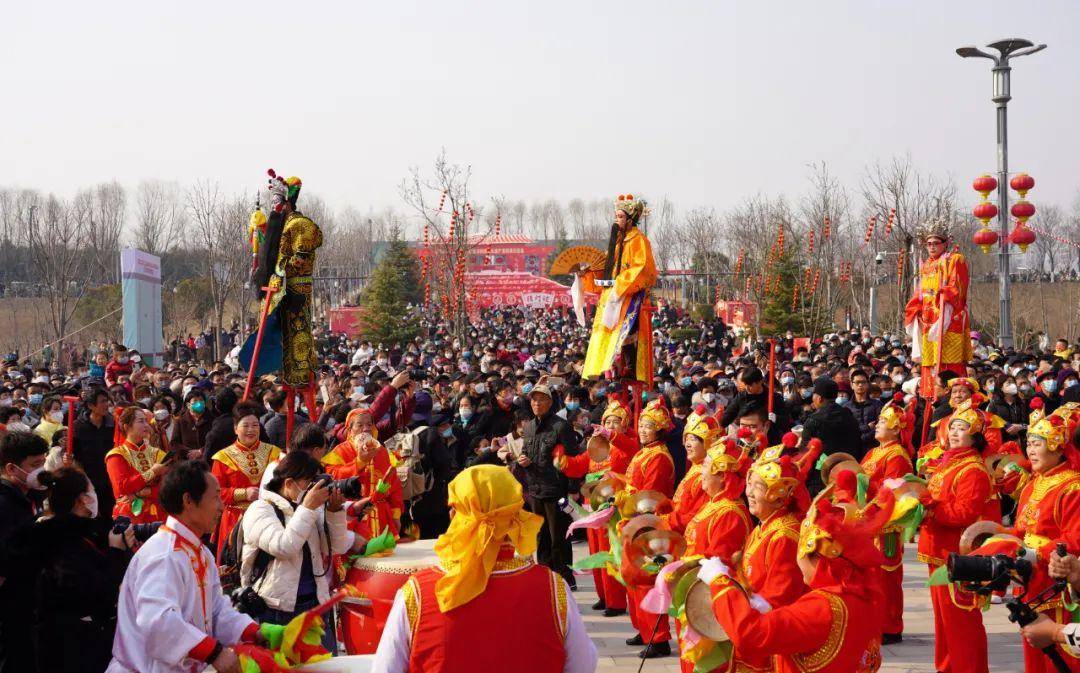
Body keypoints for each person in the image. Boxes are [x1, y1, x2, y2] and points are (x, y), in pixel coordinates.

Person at [371, 464, 598, 673]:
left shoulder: (418, 593)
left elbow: (385, 668)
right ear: (515, 515)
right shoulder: (553, 587)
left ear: (455, 516)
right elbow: (583, 665)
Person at [701, 488, 898, 673]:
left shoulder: (821, 607)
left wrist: (720, 581)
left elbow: (751, 635)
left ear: (814, 556)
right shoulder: (864, 598)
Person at [107, 460, 262, 673]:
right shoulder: (164, 555)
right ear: (188, 500)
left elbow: (216, 610)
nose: (221, 506)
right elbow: (159, 623)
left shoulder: (200, 552)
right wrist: (215, 653)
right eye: (215, 497)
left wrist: (257, 632)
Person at [15, 467, 134, 673]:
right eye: (91, 491)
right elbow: (97, 593)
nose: (94, 496)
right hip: (72, 647)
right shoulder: (60, 541)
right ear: (81, 500)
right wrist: (116, 552)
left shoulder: (69, 532)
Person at [240, 452, 352, 653]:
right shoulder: (260, 509)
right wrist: (308, 507)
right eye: (309, 481)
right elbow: (283, 546)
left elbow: (336, 547)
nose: (314, 488)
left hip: (315, 605)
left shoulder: (308, 509)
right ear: (289, 483)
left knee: (323, 667)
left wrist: (335, 512)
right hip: (276, 610)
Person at [918, 401, 993, 673]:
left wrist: (930, 507)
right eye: (953, 427)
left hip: (956, 557)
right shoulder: (948, 463)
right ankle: (948, 667)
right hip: (937, 552)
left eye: (962, 429)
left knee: (961, 622)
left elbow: (964, 512)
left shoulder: (972, 469)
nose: (954, 433)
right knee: (944, 621)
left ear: (975, 436)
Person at [578, 193, 658, 382]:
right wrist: (587, 272)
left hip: (629, 295)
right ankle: (608, 366)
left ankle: (629, 367)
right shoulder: (617, 242)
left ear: (631, 219)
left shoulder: (639, 240)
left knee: (628, 332)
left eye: (620, 217)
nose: (617, 220)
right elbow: (605, 267)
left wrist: (620, 284)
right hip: (613, 295)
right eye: (616, 216)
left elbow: (643, 268)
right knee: (609, 331)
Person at [622, 397, 676, 658]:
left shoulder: (659, 457)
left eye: (648, 426)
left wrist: (627, 501)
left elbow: (650, 495)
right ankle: (645, 630)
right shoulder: (645, 452)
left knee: (647, 580)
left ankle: (659, 637)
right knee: (634, 578)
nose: (642, 429)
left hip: (648, 524)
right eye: (641, 425)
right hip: (635, 521)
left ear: (659, 429)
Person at [859, 399, 915, 644]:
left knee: (887, 576)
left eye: (883, 421)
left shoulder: (897, 455)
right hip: (870, 521)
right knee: (873, 575)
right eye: (879, 420)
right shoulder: (874, 452)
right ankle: (874, 622)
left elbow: (890, 491)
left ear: (896, 429)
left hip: (887, 524)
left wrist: (866, 486)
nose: (877, 425)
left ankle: (890, 626)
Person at [904, 218, 971, 398]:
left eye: (936, 243)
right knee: (929, 364)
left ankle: (954, 396)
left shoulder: (954, 260)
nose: (932, 247)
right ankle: (930, 398)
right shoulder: (926, 265)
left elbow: (958, 288)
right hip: (928, 321)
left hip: (948, 320)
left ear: (945, 243)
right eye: (929, 244)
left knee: (949, 363)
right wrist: (914, 307)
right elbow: (920, 293)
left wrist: (945, 293)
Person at [518, 384, 577, 587]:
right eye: (533, 399)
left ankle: (564, 577)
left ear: (550, 402)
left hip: (556, 489)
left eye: (541, 399)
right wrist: (522, 460)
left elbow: (573, 459)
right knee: (541, 535)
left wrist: (573, 489)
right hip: (535, 489)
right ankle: (545, 576)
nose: (536, 403)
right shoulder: (528, 427)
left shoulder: (561, 426)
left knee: (558, 536)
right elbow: (526, 451)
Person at [0, 431, 48, 673]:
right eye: (35, 465)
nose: (41, 470)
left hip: (31, 601)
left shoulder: (31, 496)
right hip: (10, 606)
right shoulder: (4, 505)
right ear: (11, 468)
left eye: (44, 462)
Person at [210, 401, 281, 561]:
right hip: (235, 520)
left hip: (269, 517)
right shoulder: (223, 457)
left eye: (255, 425)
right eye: (246, 425)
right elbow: (215, 492)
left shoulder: (273, 452)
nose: (251, 430)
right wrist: (243, 493)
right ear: (236, 429)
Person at [321, 407, 403, 540]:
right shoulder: (340, 452)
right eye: (360, 425)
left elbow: (394, 484)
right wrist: (359, 462)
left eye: (369, 424)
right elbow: (332, 478)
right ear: (349, 430)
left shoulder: (382, 451)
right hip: (352, 516)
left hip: (382, 517)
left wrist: (396, 515)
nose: (366, 429)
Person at [106, 406, 170, 524]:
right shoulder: (116, 455)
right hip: (130, 517)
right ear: (126, 427)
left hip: (160, 514)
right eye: (141, 421)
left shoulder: (158, 453)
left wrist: (141, 492)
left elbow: (168, 487)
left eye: (146, 420)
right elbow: (123, 488)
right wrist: (153, 472)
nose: (146, 425)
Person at [801, 377, 863, 492]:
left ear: (819, 398)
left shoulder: (814, 420)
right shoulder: (848, 415)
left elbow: (806, 454)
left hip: (820, 479)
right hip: (848, 473)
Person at [73, 388, 117, 520]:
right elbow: (76, 456)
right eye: (102, 402)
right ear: (91, 405)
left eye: (107, 401)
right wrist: (84, 481)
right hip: (90, 480)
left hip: (111, 478)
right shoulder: (78, 427)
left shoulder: (113, 424)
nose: (106, 405)